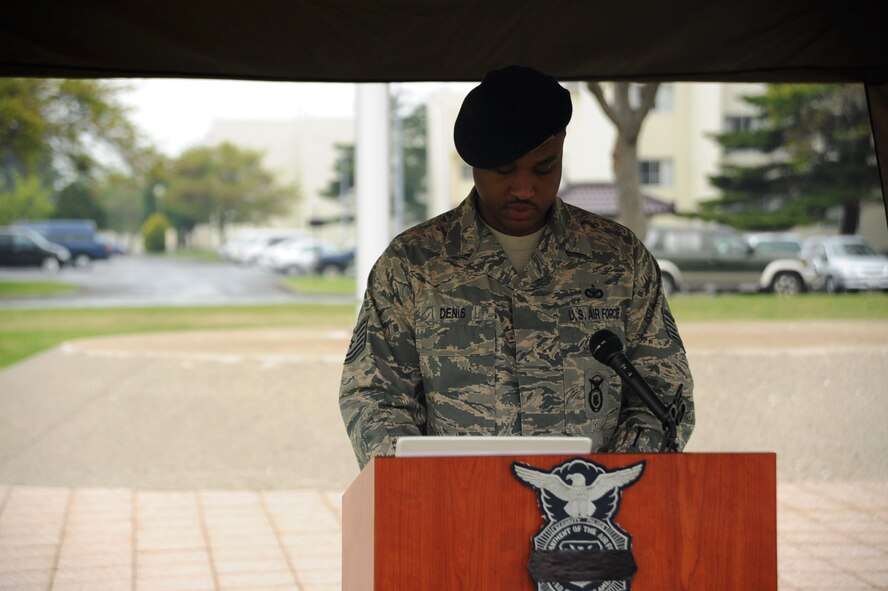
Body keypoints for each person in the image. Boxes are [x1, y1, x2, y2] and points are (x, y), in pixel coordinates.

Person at [340, 65, 694, 469]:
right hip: (458, 511)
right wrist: (426, 489)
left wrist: (609, 484)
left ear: (562, 147)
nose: (525, 189)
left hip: (590, 516)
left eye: (545, 168)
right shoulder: (414, 265)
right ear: (472, 162)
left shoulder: (617, 259)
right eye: (504, 171)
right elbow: (374, 397)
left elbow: (663, 393)